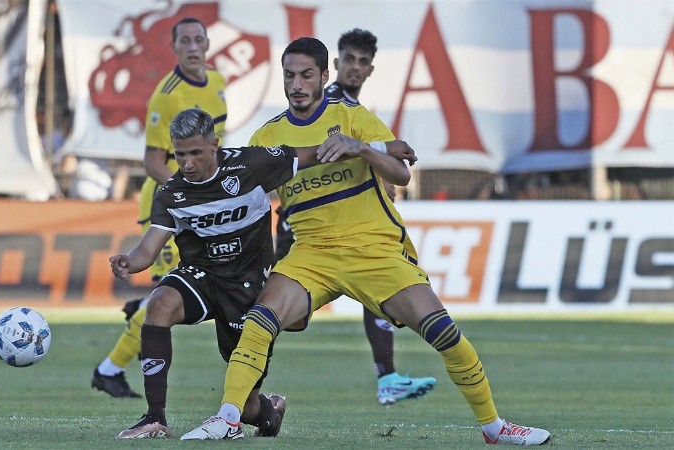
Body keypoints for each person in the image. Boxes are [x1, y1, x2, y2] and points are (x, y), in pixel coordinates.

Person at [181, 38, 551, 445]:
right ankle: (228, 418)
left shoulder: (353, 117)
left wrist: (361, 149)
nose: (297, 84)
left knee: (444, 333)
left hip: (373, 249)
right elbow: (245, 196)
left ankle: (494, 428)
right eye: (289, 76)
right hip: (312, 253)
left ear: (325, 76)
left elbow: (401, 174)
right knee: (260, 320)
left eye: (306, 75)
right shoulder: (267, 136)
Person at [111, 108, 405, 439]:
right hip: (202, 276)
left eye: (196, 153)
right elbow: (147, 251)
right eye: (180, 155)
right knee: (160, 303)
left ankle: (268, 412)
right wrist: (129, 262)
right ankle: (154, 418)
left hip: (248, 288)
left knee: (247, 403)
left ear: (215, 145)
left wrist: (385, 148)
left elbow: (318, 153)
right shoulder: (173, 193)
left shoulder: (251, 164)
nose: (188, 163)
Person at [274, 28, 436, 406]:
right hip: (306, 227)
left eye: (363, 62)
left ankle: (388, 376)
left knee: (371, 288)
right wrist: (383, 148)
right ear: (334, 65)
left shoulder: (352, 110)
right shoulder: (324, 103)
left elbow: (360, 155)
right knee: (268, 312)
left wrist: (376, 156)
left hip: (342, 228)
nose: (355, 68)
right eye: (349, 59)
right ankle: (245, 393)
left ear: (370, 70)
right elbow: (322, 152)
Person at [91, 17, 228, 398]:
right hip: (171, 202)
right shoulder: (167, 95)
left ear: (207, 44)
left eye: (198, 40)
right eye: (184, 41)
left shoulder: (217, 82)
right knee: (166, 295)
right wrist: (191, 192)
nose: (192, 47)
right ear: (174, 47)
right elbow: (153, 161)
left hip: (203, 198)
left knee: (169, 294)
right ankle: (109, 369)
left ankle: (112, 363)